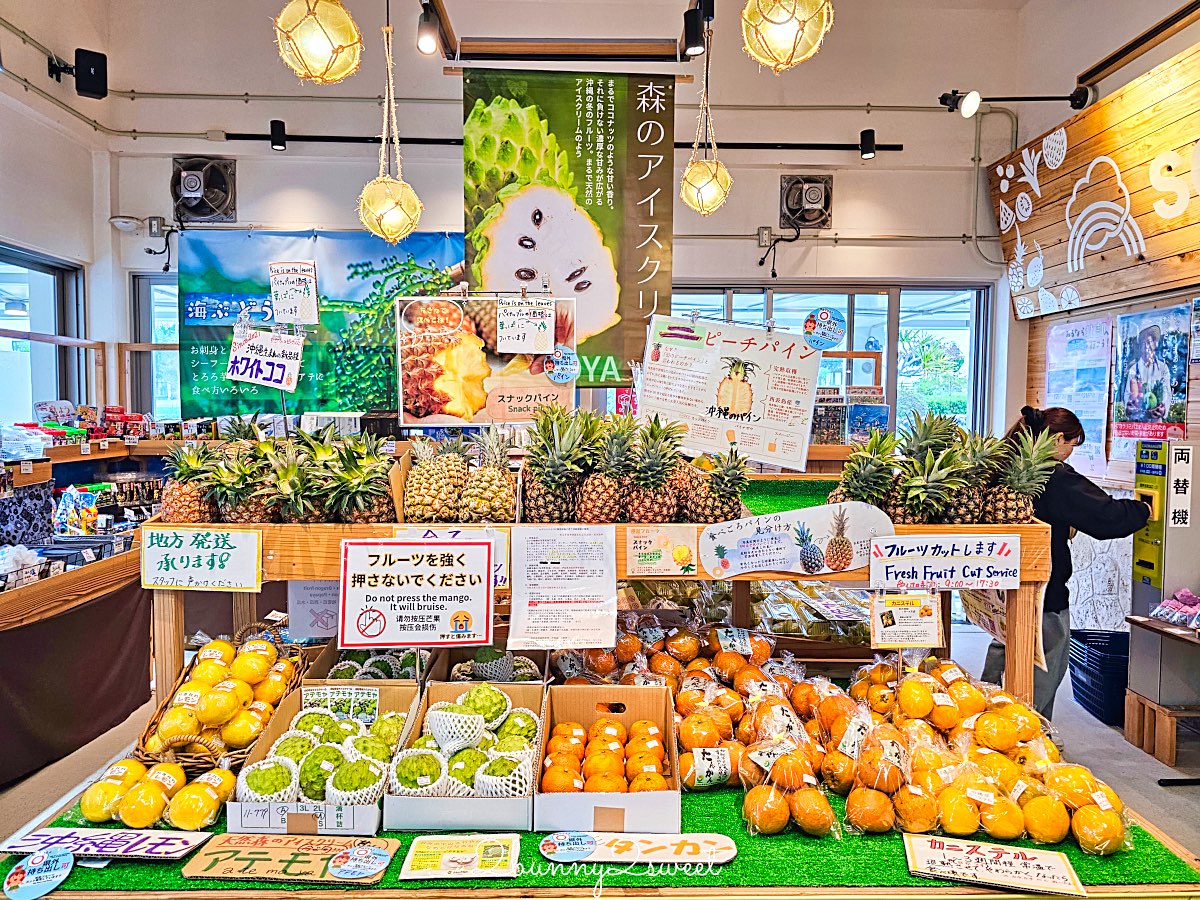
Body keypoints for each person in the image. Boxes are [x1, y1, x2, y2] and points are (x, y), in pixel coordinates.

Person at [981, 406, 1150, 719]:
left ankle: (985, 725)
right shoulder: (1053, 474)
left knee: (1002, 656)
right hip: (1043, 591)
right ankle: (1026, 738)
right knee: (1042, 671)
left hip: (1001, 585)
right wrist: (1144, 511)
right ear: (1058, 438)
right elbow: (1105, 517)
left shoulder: (1006, 461)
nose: (1070, 453)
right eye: (1072, 445)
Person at [1122, 324, 1172, 422]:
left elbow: (1167, 392)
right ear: (1139, 347)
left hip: (1156, 423)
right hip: (1138, 421)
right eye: (1143, 343)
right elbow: (1127, 394)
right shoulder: (1133, 369)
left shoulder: (1163, 368)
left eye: (1149, 343)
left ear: (1155, 344)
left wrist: (1163, 408)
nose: (1146, 347)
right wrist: (1129, 408)